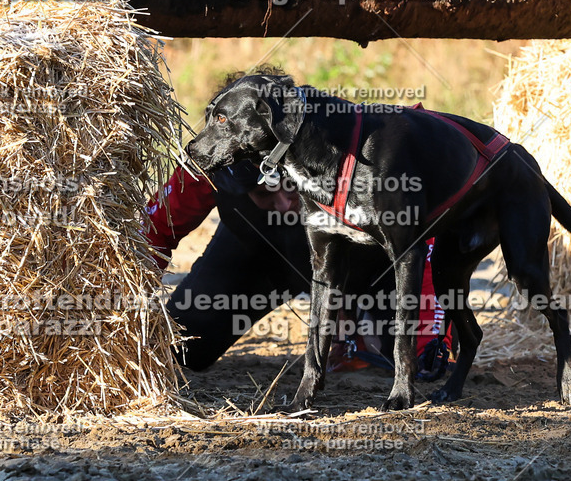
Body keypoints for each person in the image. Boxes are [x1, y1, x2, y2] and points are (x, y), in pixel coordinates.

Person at [143, 160, 452, 378]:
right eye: (263, 194)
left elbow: (419, 239)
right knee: (183, 348)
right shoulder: (210, 160)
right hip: (258, 257)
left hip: (362, 266)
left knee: (420, 365)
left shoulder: (348, 150)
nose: (282, 204)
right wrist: (131, 310)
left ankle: (355, 322)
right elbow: (151, 232)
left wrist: (430, 338)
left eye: (290, 186)